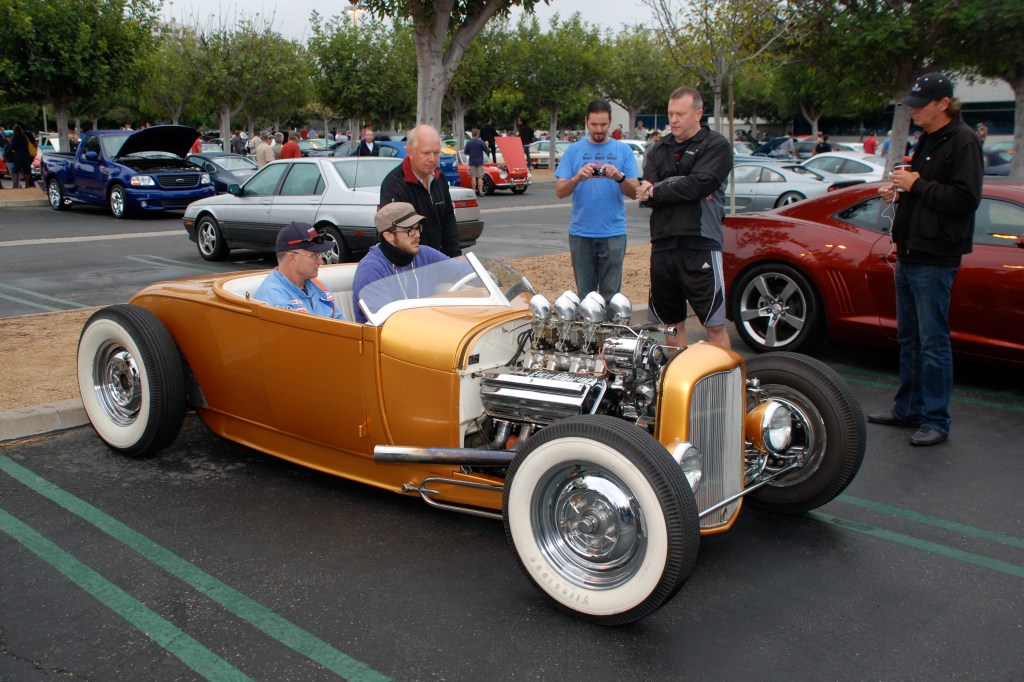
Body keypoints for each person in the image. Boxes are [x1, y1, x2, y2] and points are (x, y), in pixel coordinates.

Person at [870, 72, 983, 447]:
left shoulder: (964, 142)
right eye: (913, 106)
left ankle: (936, 418)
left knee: (932, 341)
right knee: (910, 337)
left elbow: (966, 199)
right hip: (911, 250)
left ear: (944, 104)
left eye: (921, 106)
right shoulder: (928, 139)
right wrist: (901, 193)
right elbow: (927, 191)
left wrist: (916, 185)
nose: (915, 112)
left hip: (936, 256)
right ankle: (909, 409)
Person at [636, 86, 733, 350]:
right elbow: (647, 195)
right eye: (670, 114)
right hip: (664, 245)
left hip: (700, 243)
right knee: (670, 324)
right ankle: (677, 383)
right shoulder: (657, 150)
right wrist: (680, 187)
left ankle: (722, 386)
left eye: (680, 114)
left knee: (714, 325)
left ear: (698, 113)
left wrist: (661, 188)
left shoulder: (716, 146)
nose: (674, 120)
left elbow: (701, 184)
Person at [554, 99, 639, 303]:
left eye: (603, 124)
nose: (598, 129)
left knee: (611, 296)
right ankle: (588, 336)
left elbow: (636, 192)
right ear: (586, 122)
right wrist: (577, 178)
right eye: (594, 124)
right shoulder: (574, 151)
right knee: (586, 297)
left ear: (610, 122)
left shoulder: (623, 151)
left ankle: (609, 334)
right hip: (581, 233)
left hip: (614, 233)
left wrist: (618, 177)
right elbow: (560, 191)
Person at [351, 202, 452, 323]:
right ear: (388, 236)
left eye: (417, 228)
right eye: (409, 230)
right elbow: (387, 323)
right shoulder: (370, 269)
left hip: (425, 331)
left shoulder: (426, 254)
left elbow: (466, 272)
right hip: (387, 338)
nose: (417, 235)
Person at [379, 124, 462, 257]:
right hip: (408, 263)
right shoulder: (394, 185)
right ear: (410, 152)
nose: (432, 159)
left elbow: (448, 223)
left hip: (437, 261)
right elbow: (396, 235)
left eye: (436, 152)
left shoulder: (439, 178)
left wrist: (456, 256)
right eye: (426, 153)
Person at [253, 221, 345, 319]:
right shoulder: (273, 298)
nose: (320, 261)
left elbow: (344, 328)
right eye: (314, 255)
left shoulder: (321, 288)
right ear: (293, 258)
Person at [464, 128, 489, 196]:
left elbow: (465, 152)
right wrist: (487, 145)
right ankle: (480, 191)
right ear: (477, 134)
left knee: (473, 177)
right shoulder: (481, 142)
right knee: (480, 177)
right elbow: (486, 150)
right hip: (480, 161)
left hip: (472, 161)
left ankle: (474, 190)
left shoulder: (469, 143)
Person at [7, 125, 31, 189]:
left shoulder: (14, 139)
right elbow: (27, 145)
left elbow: (12, 147)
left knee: (16, 171)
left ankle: (15, 185)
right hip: (26, 155)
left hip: (18, 156)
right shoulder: (24, 138)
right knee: (26, 171)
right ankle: (27, 185)